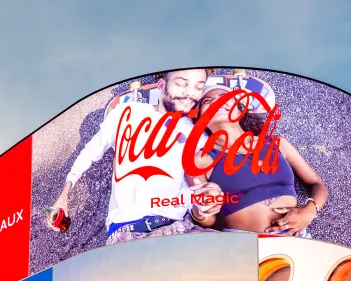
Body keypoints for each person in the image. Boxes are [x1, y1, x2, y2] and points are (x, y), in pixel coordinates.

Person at [50, 69, 220, 245]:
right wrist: (64, 194)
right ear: (161, 86)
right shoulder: (128, 112)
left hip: (180, 228)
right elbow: (91, 151)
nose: (190, 93)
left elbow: (188, 189)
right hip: (131, 233)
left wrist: (201, 206)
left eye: (198, 87)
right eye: (181, 84)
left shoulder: (198, 135)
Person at [187, 84, 328, 238]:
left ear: (240, 110)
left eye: (224, 98)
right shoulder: (200, 161)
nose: (216, 102)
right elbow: (210, 222)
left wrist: (309, 211)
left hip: (296, 239)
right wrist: (200, 210)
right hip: (243, 243)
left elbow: (317, 184)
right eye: (207, 101)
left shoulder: (278, 144)